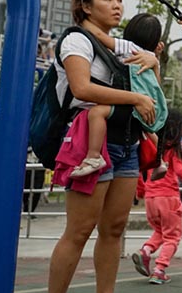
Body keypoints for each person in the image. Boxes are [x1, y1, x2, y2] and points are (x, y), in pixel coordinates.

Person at [37, 0, 157, 293]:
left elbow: (146, 61)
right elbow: (82, 88)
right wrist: (135, 99)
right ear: (87, 6)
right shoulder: (75, 40)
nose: (118, 5)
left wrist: (152, 56)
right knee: (79, 229)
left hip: (124, 143)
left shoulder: (116, 43)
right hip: (89, 143)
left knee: (115, 228)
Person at [67, 13, 167, 179]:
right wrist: (155, 58)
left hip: (127, 100)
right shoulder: (151, 58)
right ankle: (160, 160)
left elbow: (99, 36)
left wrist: (82, 20)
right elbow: (156, 85)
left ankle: (93, 155)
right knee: (146, 128)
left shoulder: (128, 47)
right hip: (147, 103)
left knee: (97, 113)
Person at [131, 110, 182, 284]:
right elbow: (179, 171)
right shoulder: (173, 149)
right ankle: (159, 270)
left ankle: (146, 251)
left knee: (160, 231)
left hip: (150, 198)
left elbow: (138, 170)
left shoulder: (151, 145)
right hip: (168, 198)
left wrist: (140, 191)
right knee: (172, 236)